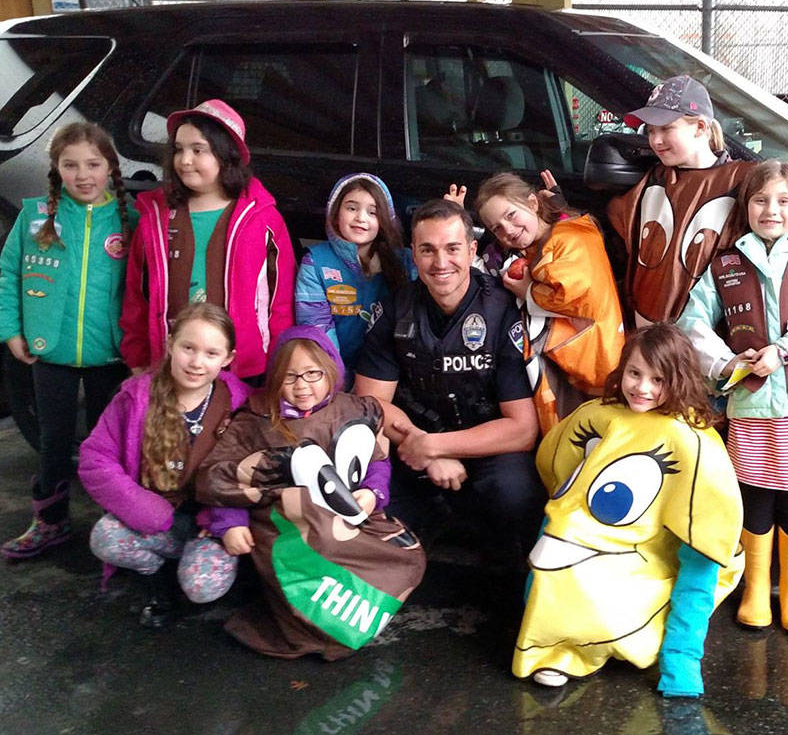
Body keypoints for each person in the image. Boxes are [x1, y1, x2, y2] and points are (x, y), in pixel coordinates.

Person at [513, 324, 743, 696]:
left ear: (679, 380)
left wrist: (681, 660)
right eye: (635, 373)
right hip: (595, 541)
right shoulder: (599, 416)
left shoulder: (691, 439)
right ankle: (553, 646)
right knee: (556, 535)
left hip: (648, 554)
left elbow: (703, 549)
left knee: (694, 566)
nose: (643, 388)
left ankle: (671, 651)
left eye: (658, 379)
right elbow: (561, 483)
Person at [679, 160, 788, 634]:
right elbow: (693, 323)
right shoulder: (726, 262)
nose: (771, 210)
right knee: (753, 494)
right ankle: (757, 589)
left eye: (783, 201)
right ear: (746, 206)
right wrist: (725, 364)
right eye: (760, 200)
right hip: (750, 402)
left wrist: (786, 348)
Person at [195, 326, 426, 659]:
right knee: (316, 554)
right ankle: (316, 628)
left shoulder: (355, 409)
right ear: (275, 379)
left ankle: (352, 617)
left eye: (312, 374)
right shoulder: (254, 420)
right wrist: (230, 522)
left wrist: (373, 492)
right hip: (287, 522)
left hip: (347, 511)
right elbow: (220, 478)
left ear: (331, 371)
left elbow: (376, 460)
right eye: (290, 377)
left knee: (407, 554)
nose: (302, 385)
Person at [352, 198, 545, 576]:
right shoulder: (397, 308)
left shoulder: (504, 308)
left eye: (453, 248)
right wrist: (424, 446)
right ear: (414, 253)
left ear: (472, 250)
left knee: (515, 493)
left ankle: (500, 556)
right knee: (375, 513)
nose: (441, 263)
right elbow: (370, 403)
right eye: (428, 250)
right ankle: (429, 528)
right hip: (415, 448)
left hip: (488, 446)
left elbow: (522, 429)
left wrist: (437, 446)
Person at [0, 122, 136, 560]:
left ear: (111, 166)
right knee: (53, 438)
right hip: (49, 351)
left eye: (93, 164)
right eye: (70, 165)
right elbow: (11, 276)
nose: (83, 174)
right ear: (56, 169)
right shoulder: (35, 216)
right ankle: (50, 521)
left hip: (110, 354)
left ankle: (113, 524)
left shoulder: (130, 220)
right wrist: (10, 329)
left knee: (108, 443)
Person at [80, 303, 251, 627]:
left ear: (227, 359)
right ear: (171, 343)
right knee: (105, 537)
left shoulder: (240, 402)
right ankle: (158, 579)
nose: (197, 362)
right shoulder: (135, 397)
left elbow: (254, 470)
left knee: (202, 587)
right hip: (156, 518)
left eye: (211, 353)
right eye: (188, 348)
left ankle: (201, 568)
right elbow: (95, 460)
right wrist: (146, 510)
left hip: (210, 524)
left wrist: (225, 520)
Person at [120, 99, 296, 381]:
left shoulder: (261, 218)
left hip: (244, 369)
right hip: (171, 364)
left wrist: (278, 359)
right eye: (178, 149)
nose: (185, 160)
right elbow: (136, 295)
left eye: (198, 150)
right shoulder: (155, 217)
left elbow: (280, 301)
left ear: (226, 155)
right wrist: (138, 357)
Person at [474, 172, 624, 433]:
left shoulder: (573, 238)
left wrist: (528, 291)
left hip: (595, 363)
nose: (507, 229)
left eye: (511, 215)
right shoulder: (543, 240)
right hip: (573, 367)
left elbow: (570, 293)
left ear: (533, 203)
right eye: (496, 227)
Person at [607, 75, 755, 327]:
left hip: (707, 339)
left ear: (699, 127)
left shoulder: (743, 181)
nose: (655, 140)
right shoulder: (654, 178)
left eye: (666, 128)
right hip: (647, 333)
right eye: (651, 130)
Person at [294, 172, 413, 376]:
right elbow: (316, 327)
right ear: (335, 213)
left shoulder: (404, 261)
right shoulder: (316, 262)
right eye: (351, 208)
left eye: (372, 212)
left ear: (385, 219)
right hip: (334, 371)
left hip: (389, 372)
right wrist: (337, 379)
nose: (360, 218)